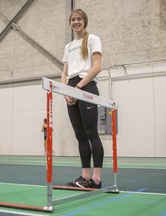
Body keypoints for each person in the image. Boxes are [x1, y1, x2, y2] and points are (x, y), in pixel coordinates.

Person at [61, 8, 103, 189]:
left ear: (84, 21)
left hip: (86, 85)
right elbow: (64, 72)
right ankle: (85, 177)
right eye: (73, 20)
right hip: (71, 87)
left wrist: (78, 87)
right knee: (80, 136)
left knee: (91, 133)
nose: (75, 22)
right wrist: (65, 91)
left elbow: (97, 67)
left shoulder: (93, 39)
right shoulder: (68, 47)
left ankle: (96, 179)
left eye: (79, 19)